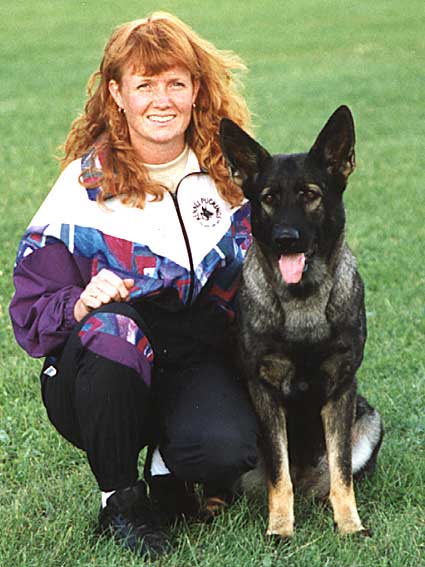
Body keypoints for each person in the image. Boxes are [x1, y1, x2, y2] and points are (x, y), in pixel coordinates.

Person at [9, 12, 259, 559]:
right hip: (102, 367)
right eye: (145, 85)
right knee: (113, 331)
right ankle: (119, 500)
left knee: (226, 450)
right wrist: (80, 302)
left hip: (193, 359)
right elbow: (29, 309)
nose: (162, 100)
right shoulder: (84, 186)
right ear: (117, 95)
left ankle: (170, 465)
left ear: (197, 90)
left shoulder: (229, 173)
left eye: (176, 83)